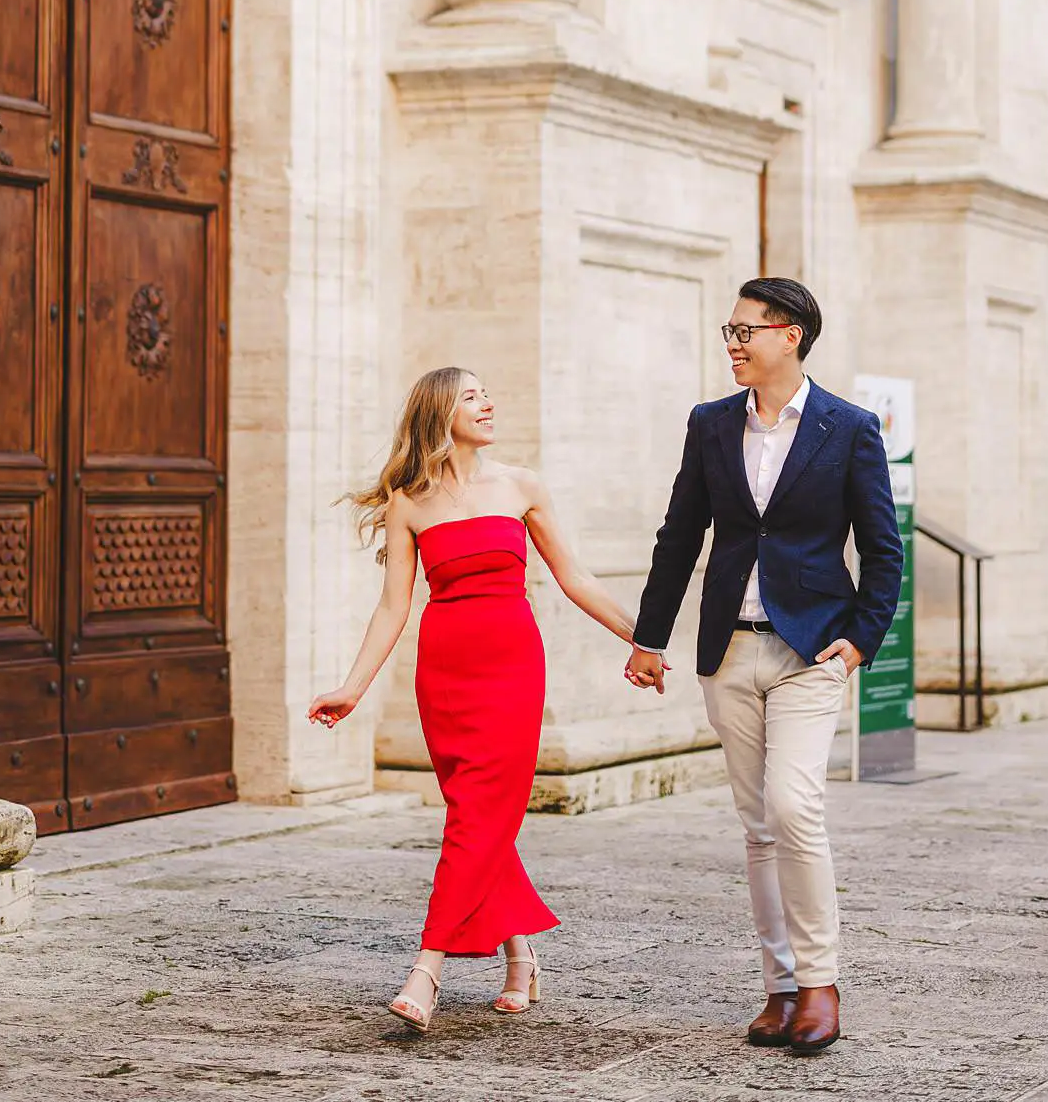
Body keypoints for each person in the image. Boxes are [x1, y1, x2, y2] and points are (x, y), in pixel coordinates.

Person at [309, 367, 636, 1032]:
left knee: (476, 816)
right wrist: (353, 687)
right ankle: (521, 957)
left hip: (512, 668)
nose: (488, 403)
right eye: (471, 395)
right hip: (446, 672)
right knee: (475, 813)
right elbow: (393, 607)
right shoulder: (408, 502)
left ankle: (426, 969)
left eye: (488, 392)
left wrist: (642, 638)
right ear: (439, 412)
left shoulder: (521, 485)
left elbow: (573, 576)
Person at [625, 277, 902, 1057]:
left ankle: (819, 982)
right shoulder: (711, 423)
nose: (733, 343)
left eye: (745, 330)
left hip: (810, 650)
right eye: (730, 330)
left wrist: (862, 638)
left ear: (791, 335)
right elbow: (679, 534)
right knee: (758, 826)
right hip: (729, 649)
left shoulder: (849, 427)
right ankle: (779, 986)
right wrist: (650, 637)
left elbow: (883, 548)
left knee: (793, 807)